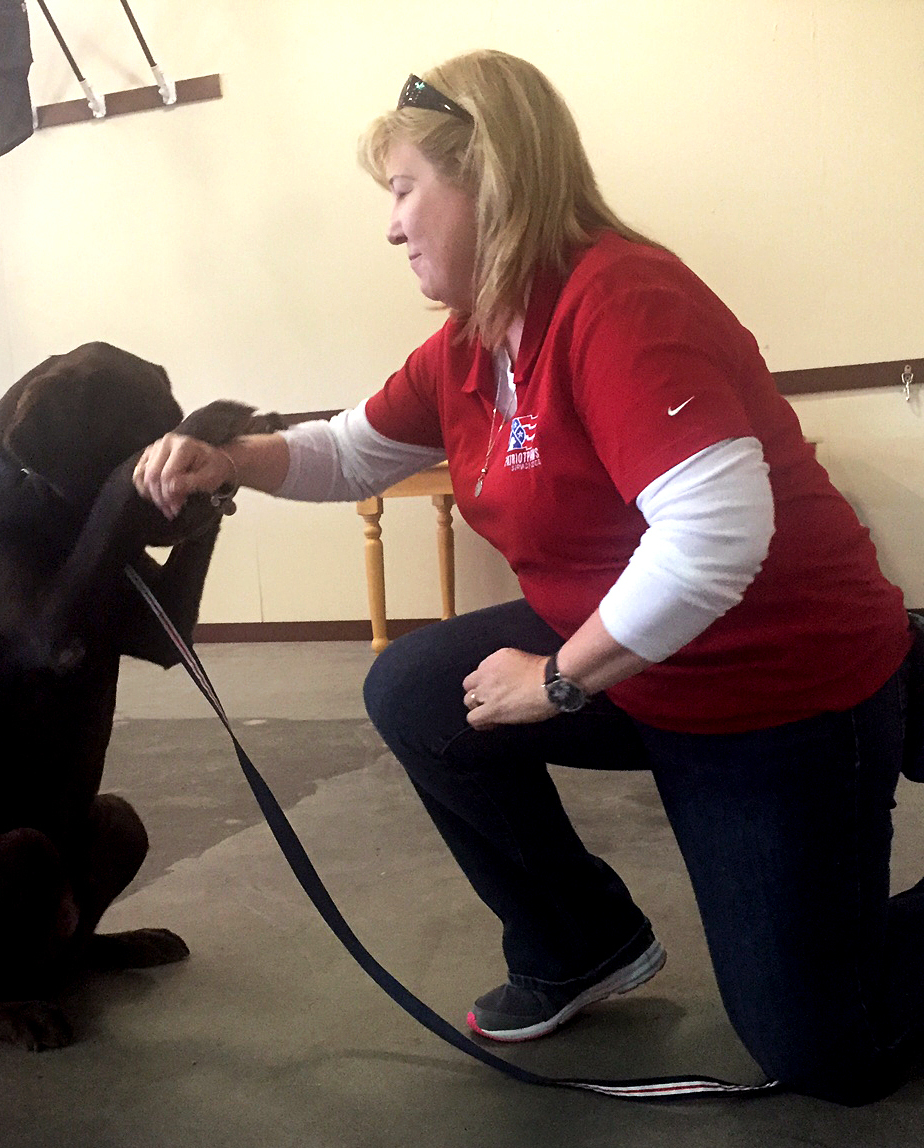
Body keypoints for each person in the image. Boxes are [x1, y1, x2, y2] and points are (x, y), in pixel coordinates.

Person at [133, 49, 922, 1105]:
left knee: (825, 1049)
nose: (390, 223)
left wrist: (556, 678)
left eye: (404, 188)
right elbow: (351, 450)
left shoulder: (617, 300)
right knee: (415, 689)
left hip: (774, 689)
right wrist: (233, 457)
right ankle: (577, 942)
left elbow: (713, 539)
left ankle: (898, 697)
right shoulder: (472, 339)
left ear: (487, 178)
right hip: (639, 669)